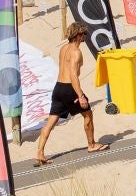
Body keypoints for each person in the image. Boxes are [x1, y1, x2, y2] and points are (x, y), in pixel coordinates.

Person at [36, 24, 104, 165]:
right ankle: (91, 145)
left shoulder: (63, 49)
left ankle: (40, 153)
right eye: (83, 34)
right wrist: (80, 95)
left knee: (50, 122)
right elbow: (73, 75)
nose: (84, 36)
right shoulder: (76, 52)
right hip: (69, 89)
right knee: (88, 114)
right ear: (78, 35)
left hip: (58, 88)